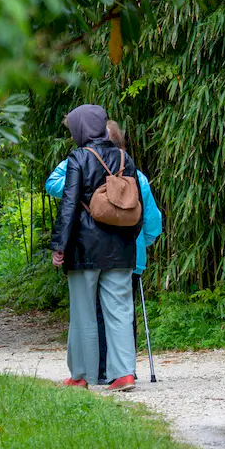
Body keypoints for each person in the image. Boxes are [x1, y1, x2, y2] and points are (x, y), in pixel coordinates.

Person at [45, 119, 162, 382]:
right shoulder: (133, 170)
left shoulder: (79, 161)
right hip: (125, 253)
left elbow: (58, 192)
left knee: (87, 314)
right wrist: (138, 242)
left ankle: (86, 375)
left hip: (86, 251)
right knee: (121, 313)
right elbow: (151, 223)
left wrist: (60, 245)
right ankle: (123, 374)